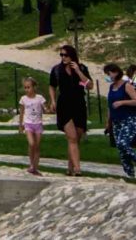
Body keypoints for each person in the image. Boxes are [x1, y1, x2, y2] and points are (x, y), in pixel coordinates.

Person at [52, 43, 94, 175]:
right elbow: (52, 85)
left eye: (66, 55)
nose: (63, 57)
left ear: (72, 56)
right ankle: (77, 169)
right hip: (64, 104)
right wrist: (52, 101)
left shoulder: (81, 68)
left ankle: (70, 168)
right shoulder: (57, 70)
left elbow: (89, 86)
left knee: (78, 136)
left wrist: (78, 71)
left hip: (79, 104)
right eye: (61, 55)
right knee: (72, 137)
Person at [104, 63, 136, 180]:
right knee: (121, 150)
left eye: (109, 73)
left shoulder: (127, 86)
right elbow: (109, 106)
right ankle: (130, 174)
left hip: (129, 119)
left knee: (123, 143)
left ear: (116, 72)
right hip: (116, 121)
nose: (107, 76)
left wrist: (122, 102)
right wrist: (108, 122)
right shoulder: (111, 87)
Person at [18, 77, 48, 175]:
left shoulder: (39, 98)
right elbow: (21, 113)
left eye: (29, 87)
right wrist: (20, 125)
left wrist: (48, 110)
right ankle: (31, 164)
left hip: (38, 124)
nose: (27, 90)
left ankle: (35, 167)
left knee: (37, 146)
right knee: (31, 144)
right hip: (28, 124)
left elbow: (45, 108)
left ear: (34, 87)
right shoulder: (23, 99)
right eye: (25, 88)